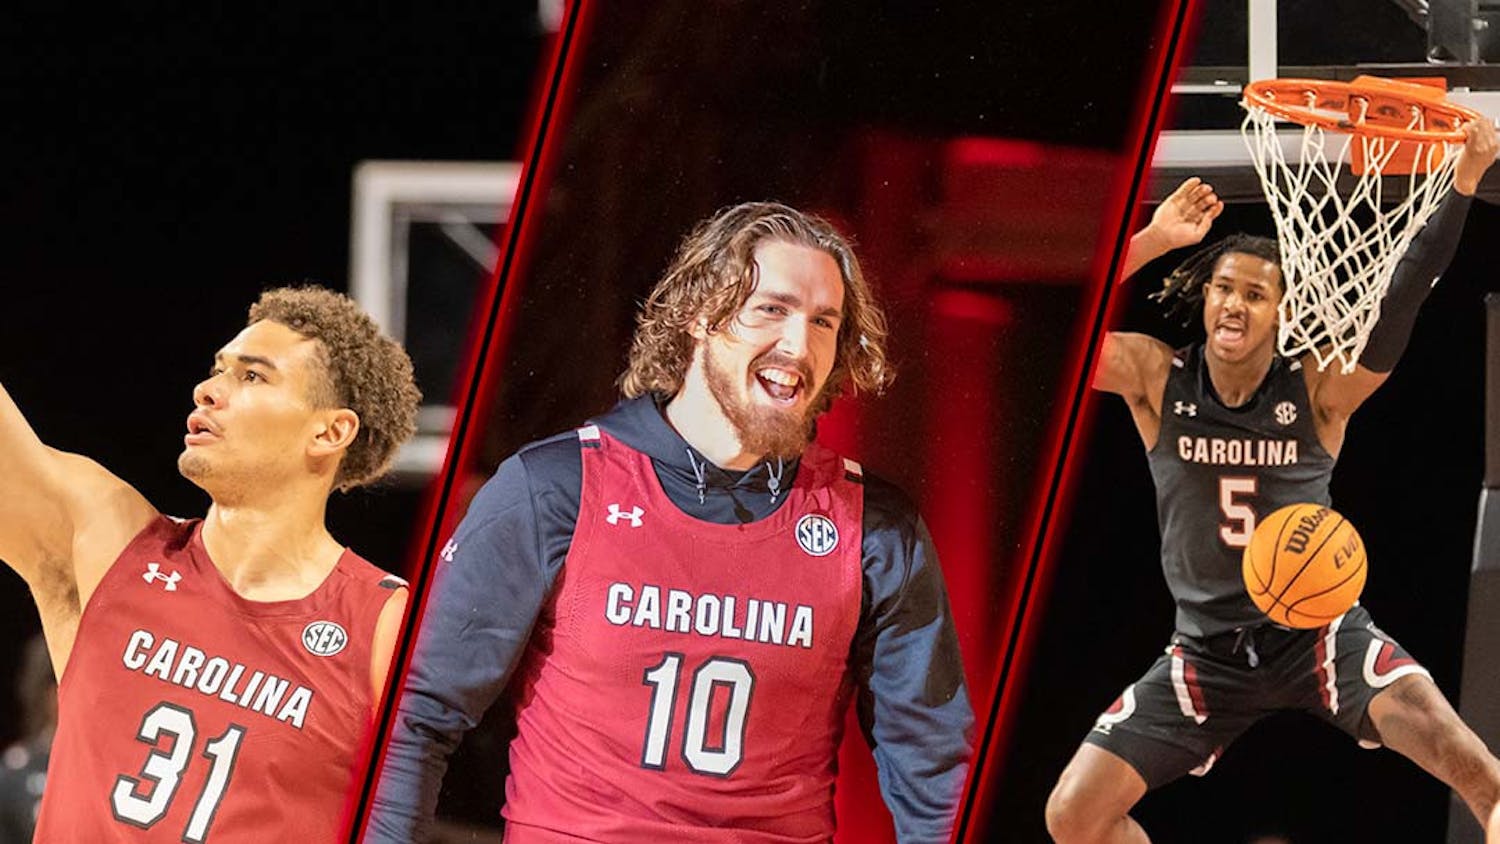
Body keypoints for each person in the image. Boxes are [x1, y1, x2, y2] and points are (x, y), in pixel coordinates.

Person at [368, 202, 973, 842]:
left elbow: (935, 776)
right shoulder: (553, 488)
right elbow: (417, 716)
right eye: (771, 308)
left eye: (824, 321)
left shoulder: (873, 527)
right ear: (699, 317)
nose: (800, 344)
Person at [1045, 120, 1500, 843]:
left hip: (1320, 636)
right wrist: (1158, 239)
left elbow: (1401, 302)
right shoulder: (1158, 377)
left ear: (1282, 313)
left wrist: (1465, 182)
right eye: (1224, 287)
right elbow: (1057, 322)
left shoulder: (1318, 388)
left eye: (1256, 295)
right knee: (1072, 817)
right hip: (1203, 651)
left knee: (1480, 774)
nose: (1234, 303)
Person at [0, 286, 420, 841]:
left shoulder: (384, 624)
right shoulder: (109, 543)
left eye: (252, 376)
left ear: (330, 431)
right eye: (217, 369)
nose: (207, 390)